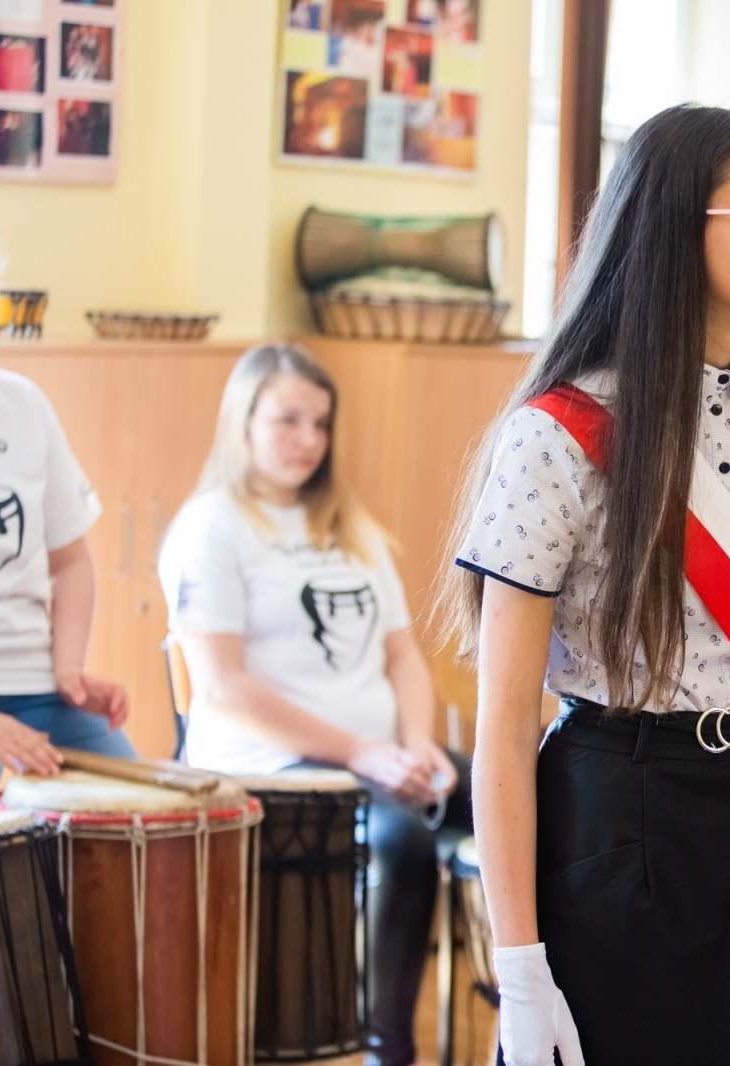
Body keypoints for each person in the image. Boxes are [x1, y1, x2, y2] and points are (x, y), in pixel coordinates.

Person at [437, 104, 730, 1065]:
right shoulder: (557, 435)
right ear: (679, 224)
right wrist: (520, 966)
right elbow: (505, 726)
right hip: (618, 817)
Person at [157, 344, 472, 1066]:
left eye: (321, 424)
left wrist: (420, 746)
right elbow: (222, 687)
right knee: (402, 841)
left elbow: (402, 657)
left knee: (520, 798)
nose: (308, 440)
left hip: (382, 756)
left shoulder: (348, 525)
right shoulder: (211, 527)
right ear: (243, 421)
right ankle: (388, 1051)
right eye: (288, 421)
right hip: (272, 766)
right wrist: (365, 753)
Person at [0, 215, 133, 824]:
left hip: (31, 681)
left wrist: (68, 672)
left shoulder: (22, 403)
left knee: (145, 815)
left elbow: (70, 562)